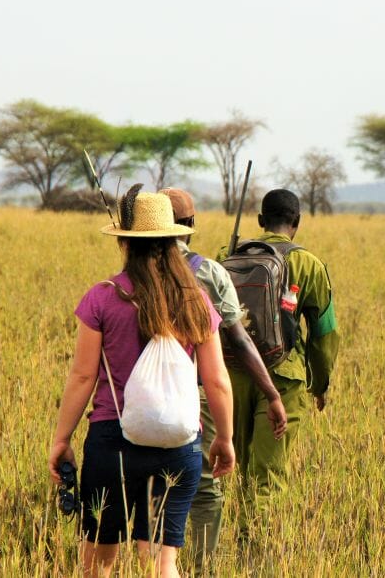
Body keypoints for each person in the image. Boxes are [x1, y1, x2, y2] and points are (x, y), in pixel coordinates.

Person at [49, 186, 235, 578]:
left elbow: (83, 376)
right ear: (175, 239)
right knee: (159, 562)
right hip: (177, 444)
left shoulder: (102, 297)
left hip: (111, 440)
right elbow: (216, 381)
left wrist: (61, 440)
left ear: (124, 243)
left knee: (98, 561)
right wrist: (225, 439)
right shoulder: (196, 299)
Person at [159, 187, 288, 573]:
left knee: (145, 485)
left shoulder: (128, 276)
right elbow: (240, 339)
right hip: (193, 396)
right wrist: (272, 393)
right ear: (191, 226)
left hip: (132, 398)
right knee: (202, 489)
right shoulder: (208, 272)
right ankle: (199, 566)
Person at [216, 188, 339, 540]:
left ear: (259, 221)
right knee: (268, 474)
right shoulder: (308, 264)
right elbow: (324, 333)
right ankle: (257, 548)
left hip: (231, 374)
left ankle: (230, 542)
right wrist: (320, 384)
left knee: (231, 465)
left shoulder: (227, 255)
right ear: (296, 224)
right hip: (284, 379)